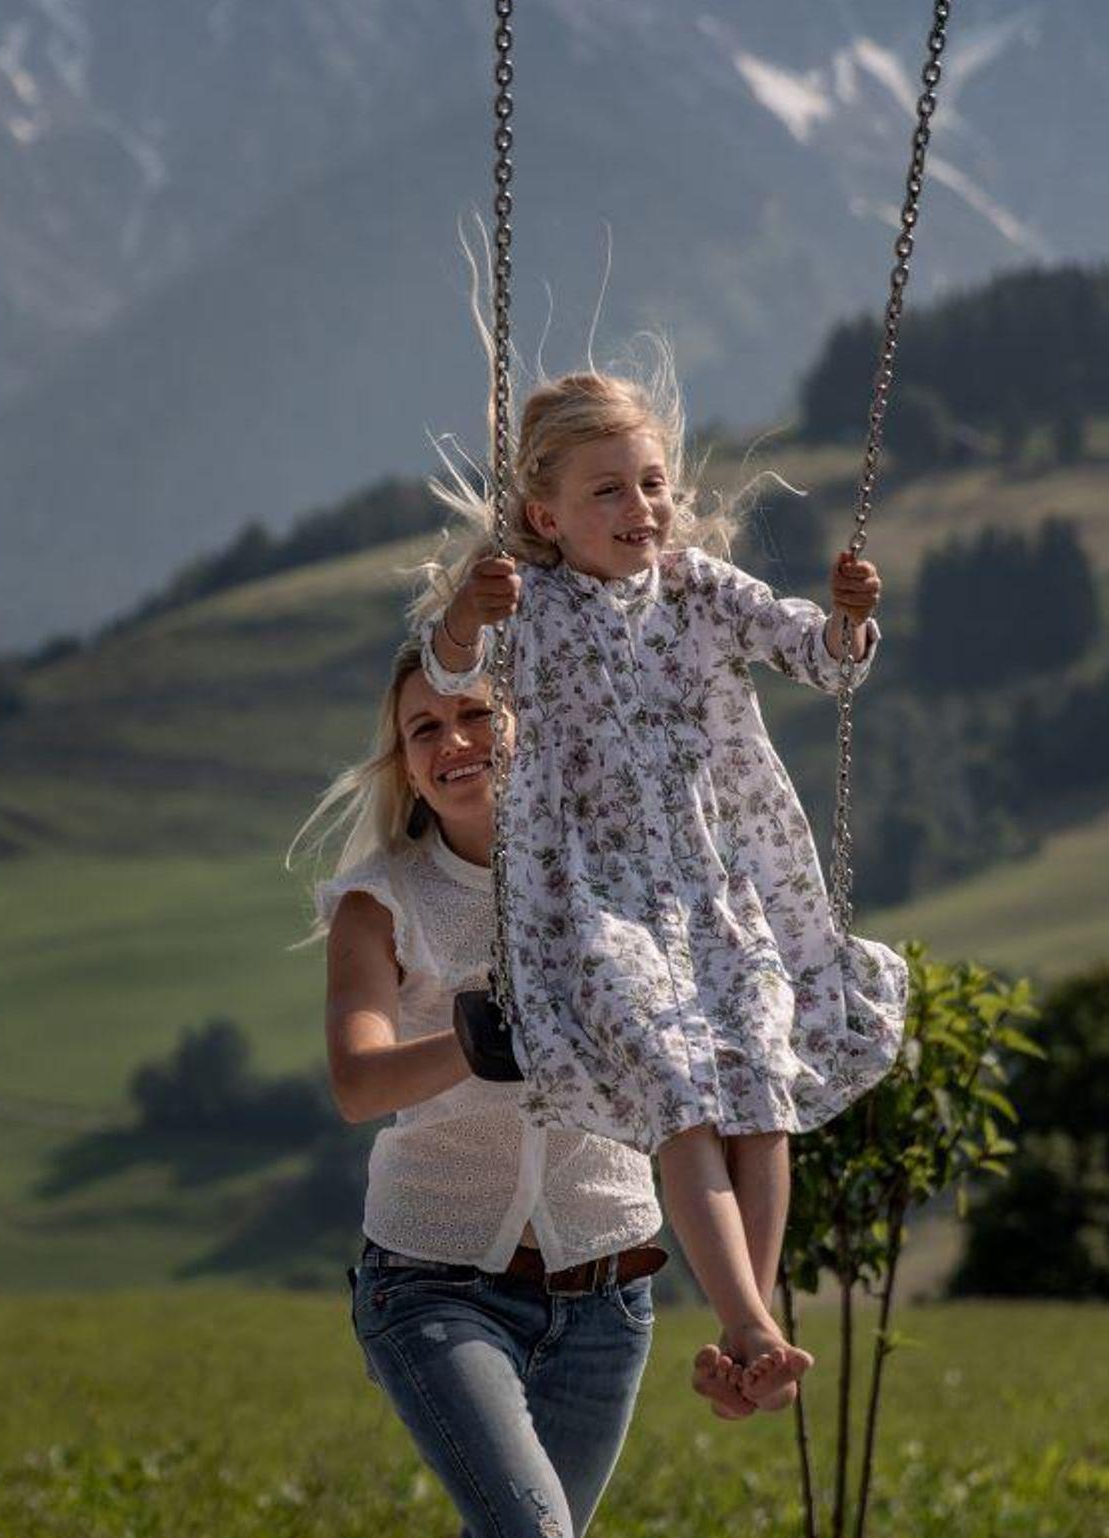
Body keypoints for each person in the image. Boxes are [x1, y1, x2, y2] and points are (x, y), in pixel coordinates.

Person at [419, 362, 907, 1417]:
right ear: (546, 515)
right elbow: (449, 669)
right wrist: (466, 609)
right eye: (608, 490)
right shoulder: (531, 605)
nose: (640, 506)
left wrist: (847, 620)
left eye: (650, 483)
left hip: (720, 893)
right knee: (682, 1088)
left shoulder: (698, 588)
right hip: (596, 905)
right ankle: (751, 1327)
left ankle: (748, 1333)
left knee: (760, 1087)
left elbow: (820, 660)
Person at [301, 637, 668, 1538]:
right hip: (434, 1285)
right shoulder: (378, 902)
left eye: (475, 714)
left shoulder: (616, 872)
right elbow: (357, 1084)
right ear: (406, 767)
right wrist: (482, 1035)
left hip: (608, 1291)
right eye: (424, 729)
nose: (453, 741)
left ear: (525, 725)